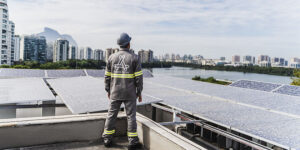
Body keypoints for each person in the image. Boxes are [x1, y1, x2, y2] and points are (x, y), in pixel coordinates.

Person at [102, 33, 143, 150]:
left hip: (115, 91)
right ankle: (132, 141)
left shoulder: (111, 57)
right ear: (128, 44)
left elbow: (107, 77)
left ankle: (107, 139)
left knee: (111, 115)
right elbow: (139, 78)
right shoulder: (135, 58)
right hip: (130, 93)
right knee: (131, 116)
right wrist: (139, 92)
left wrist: (108, 90)